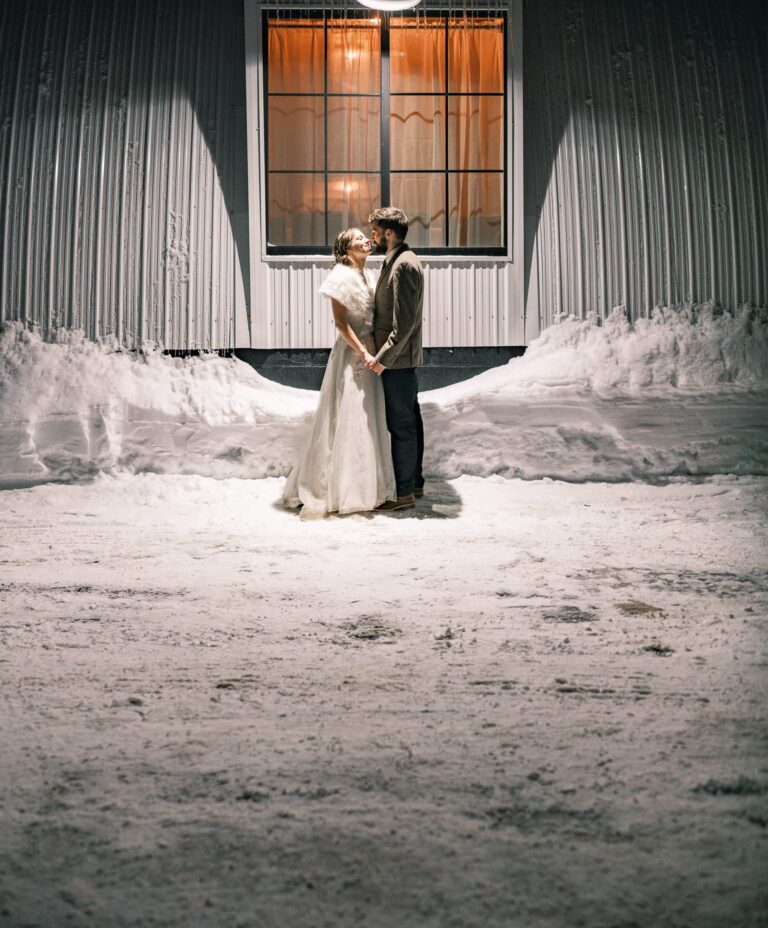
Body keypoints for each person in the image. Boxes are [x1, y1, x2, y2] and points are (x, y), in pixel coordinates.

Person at [283, 228, 396, 518]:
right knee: (350, 415)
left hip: (372, 352)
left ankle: (366, 486)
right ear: (346, 249)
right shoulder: (340, 277)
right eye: (358, 238)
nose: (366, 240)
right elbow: (341, 324)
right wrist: (364, 353)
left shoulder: (368, 275)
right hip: (354, 355)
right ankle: (342, 489)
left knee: (368, 417)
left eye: (365, 236)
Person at [366, 207, 425, 512]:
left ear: (388, 233)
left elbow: (404, 325)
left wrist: (382, 359)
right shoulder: (395, 261)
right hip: (397, 361)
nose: (371, 236)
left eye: (374, 231)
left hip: (398, 362)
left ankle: (403, 494)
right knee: (409, 420)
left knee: (401, 426)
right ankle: (414, 482)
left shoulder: (404, 265)